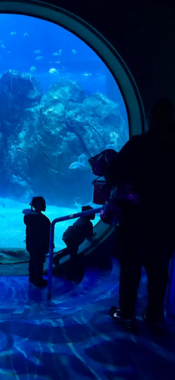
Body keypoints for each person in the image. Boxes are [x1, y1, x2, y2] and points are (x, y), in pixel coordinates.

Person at [105, 99, 175, 333]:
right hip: (165, 221)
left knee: (130, 268)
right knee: (159, 270)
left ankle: (127, 314)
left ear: (151, 118)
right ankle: (154, 316)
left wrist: (108, 161)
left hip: (136, 220)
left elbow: (114, 174)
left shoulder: (138, 144)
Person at [23, 196, 51, 287]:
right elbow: (47, 234)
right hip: (39, 246)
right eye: (43, 204)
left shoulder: (28, 217)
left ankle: (32, 277)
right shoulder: (44, 220)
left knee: (32, 260)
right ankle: (38, 280)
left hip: (30, 244)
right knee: (39, 262)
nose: (45, 206)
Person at [62, 205, 96, 281]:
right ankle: (68, 272)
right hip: (72, 239)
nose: (94, 214)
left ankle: (58, 257)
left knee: (71, 249)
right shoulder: (88, 223)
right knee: (73, 255)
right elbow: (89, 237)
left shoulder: (81, 219)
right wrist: (94, 242)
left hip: (67, 236)